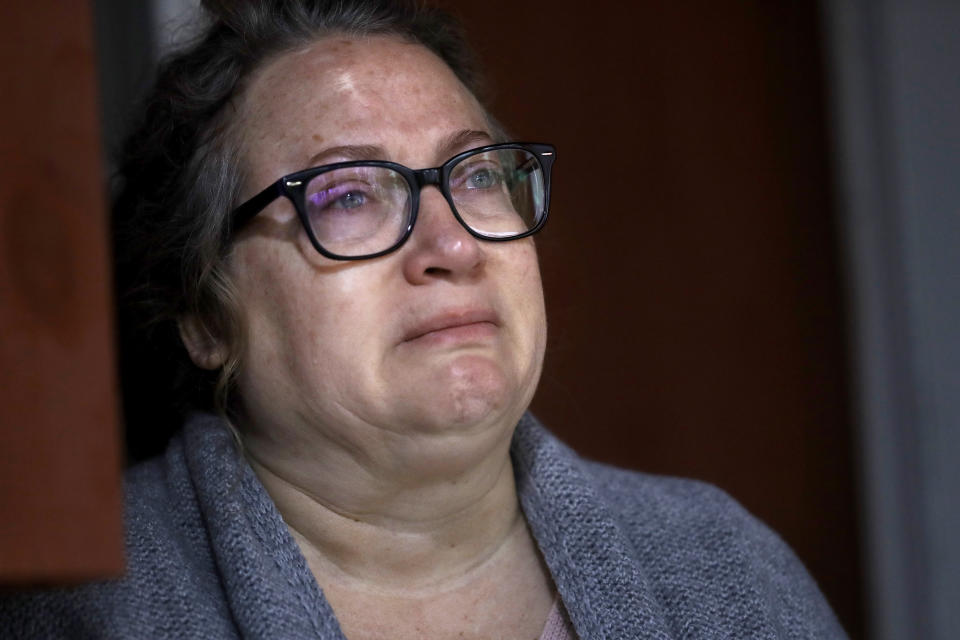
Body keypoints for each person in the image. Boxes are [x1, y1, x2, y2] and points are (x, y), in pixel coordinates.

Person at [1, 1, 848, 638]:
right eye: (346, 195)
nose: (453, 244)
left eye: (476, 176)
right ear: (205, 316)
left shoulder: (722, 562)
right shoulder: (78, 610)